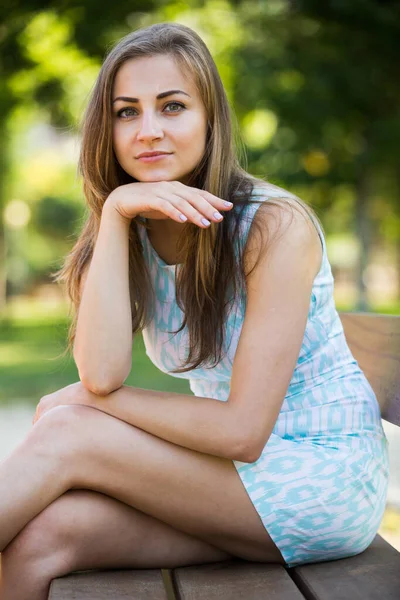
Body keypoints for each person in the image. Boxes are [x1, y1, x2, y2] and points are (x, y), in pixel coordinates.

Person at [0, 22, 389, 600]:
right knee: (45, 539)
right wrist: (113, 216)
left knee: (69, 431)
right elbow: (102, 373)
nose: (148, 131)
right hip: (233, 484)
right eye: (126, 112)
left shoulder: (273, 226)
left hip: (321, 481)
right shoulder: (124, 227)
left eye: (173, 106)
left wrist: (86, 404)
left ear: (211, 119)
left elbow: (241, 431)